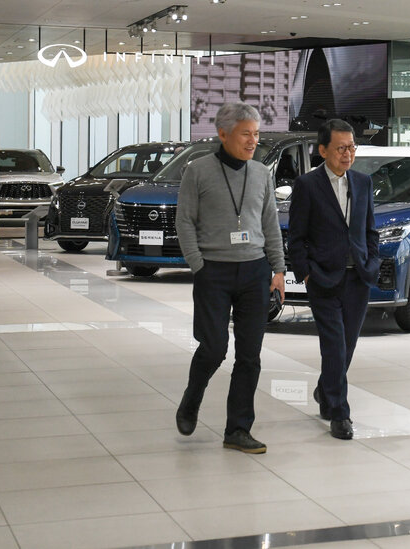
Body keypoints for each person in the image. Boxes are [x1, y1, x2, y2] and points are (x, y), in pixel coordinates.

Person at [174, 102, 286, 454]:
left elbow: (269, 223)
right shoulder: (198, 171)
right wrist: (198, 265)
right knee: (214, 348)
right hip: (214, 271)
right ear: (223, 134)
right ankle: (192, 397)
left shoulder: (261, 173)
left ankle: (238, 429)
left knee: (250, 355)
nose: (253, 141)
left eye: (256, 134)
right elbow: (184, 221)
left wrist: (278, 269)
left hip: (255, 271)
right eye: (245, 134)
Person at [288, 118, 380, 440]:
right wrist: (306, 273)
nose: (347, 154)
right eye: (341, 148)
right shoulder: (307, 185)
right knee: (334, 347)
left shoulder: (363, 182)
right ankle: (340, 414)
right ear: (323, 150)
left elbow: (370, 231)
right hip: (323, 279)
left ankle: (325, 390)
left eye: (351, 147)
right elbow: (296, 237)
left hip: (358, 278)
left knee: (347, 346)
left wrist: (371, 262)